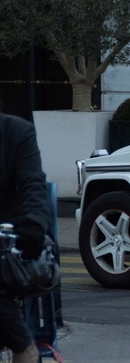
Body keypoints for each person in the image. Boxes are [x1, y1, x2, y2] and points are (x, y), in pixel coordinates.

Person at [0, 96, 51, 363]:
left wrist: (33, 224)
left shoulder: (17, 132)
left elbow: (33, 184)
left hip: (7, 243)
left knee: (19, 340)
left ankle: (25, 349)